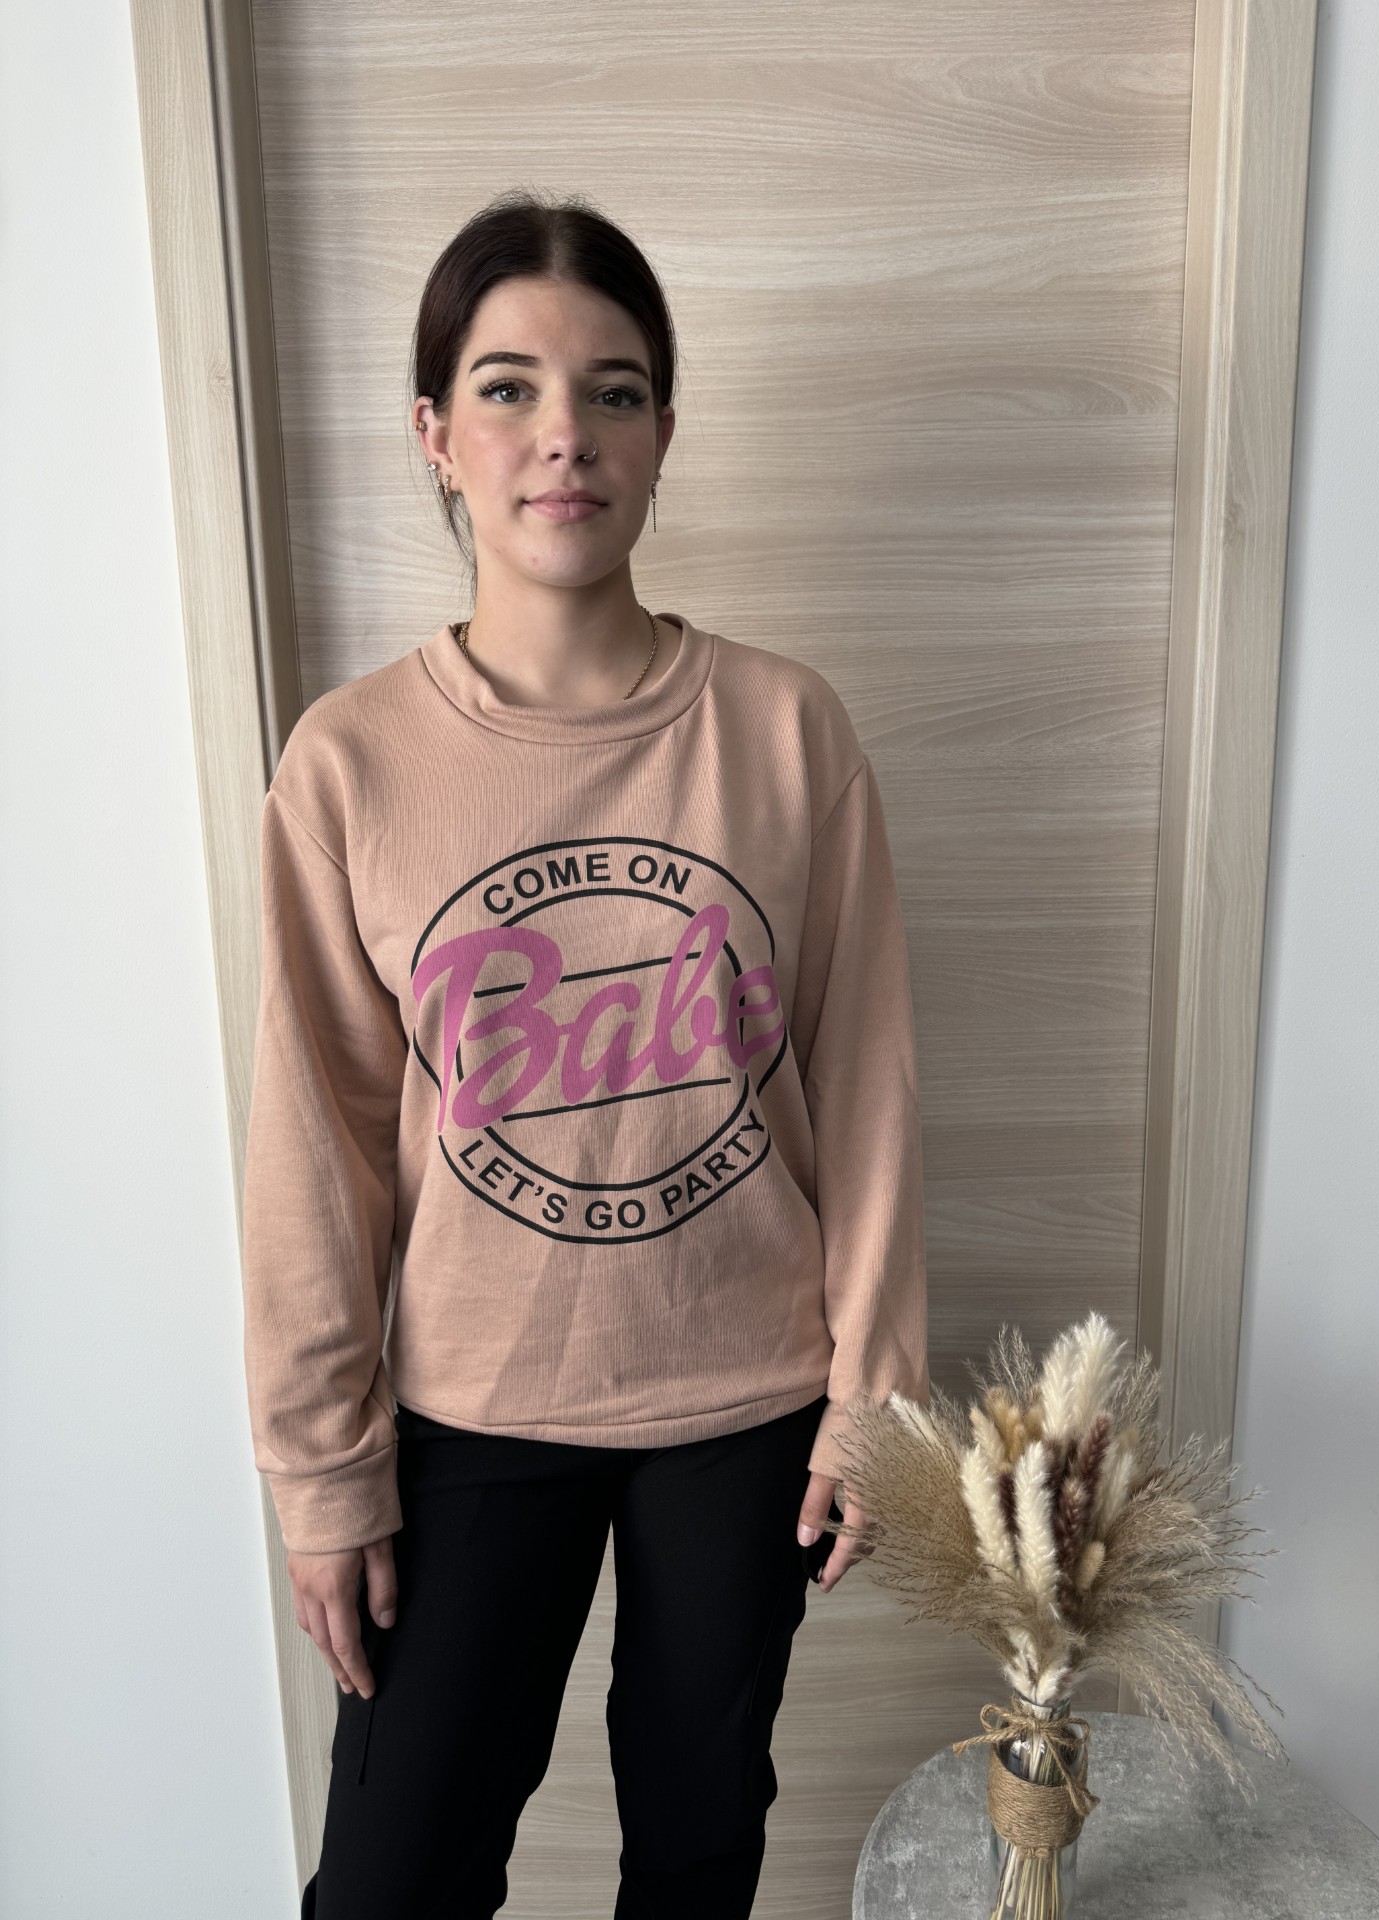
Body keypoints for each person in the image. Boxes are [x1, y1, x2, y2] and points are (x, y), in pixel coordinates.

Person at [240, 187, 930, 1920]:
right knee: (392, 1877)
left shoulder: (786, 730)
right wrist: (321, 1470)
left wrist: (872, 1398)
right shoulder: (349, 764)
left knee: (696, 1854)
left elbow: (869, 1087)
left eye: (615, 391)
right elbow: (313, 1146)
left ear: (664, 431)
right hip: (468, 1402)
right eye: (509, 389)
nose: (566, 435)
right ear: (435, 433)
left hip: (746, 1406)